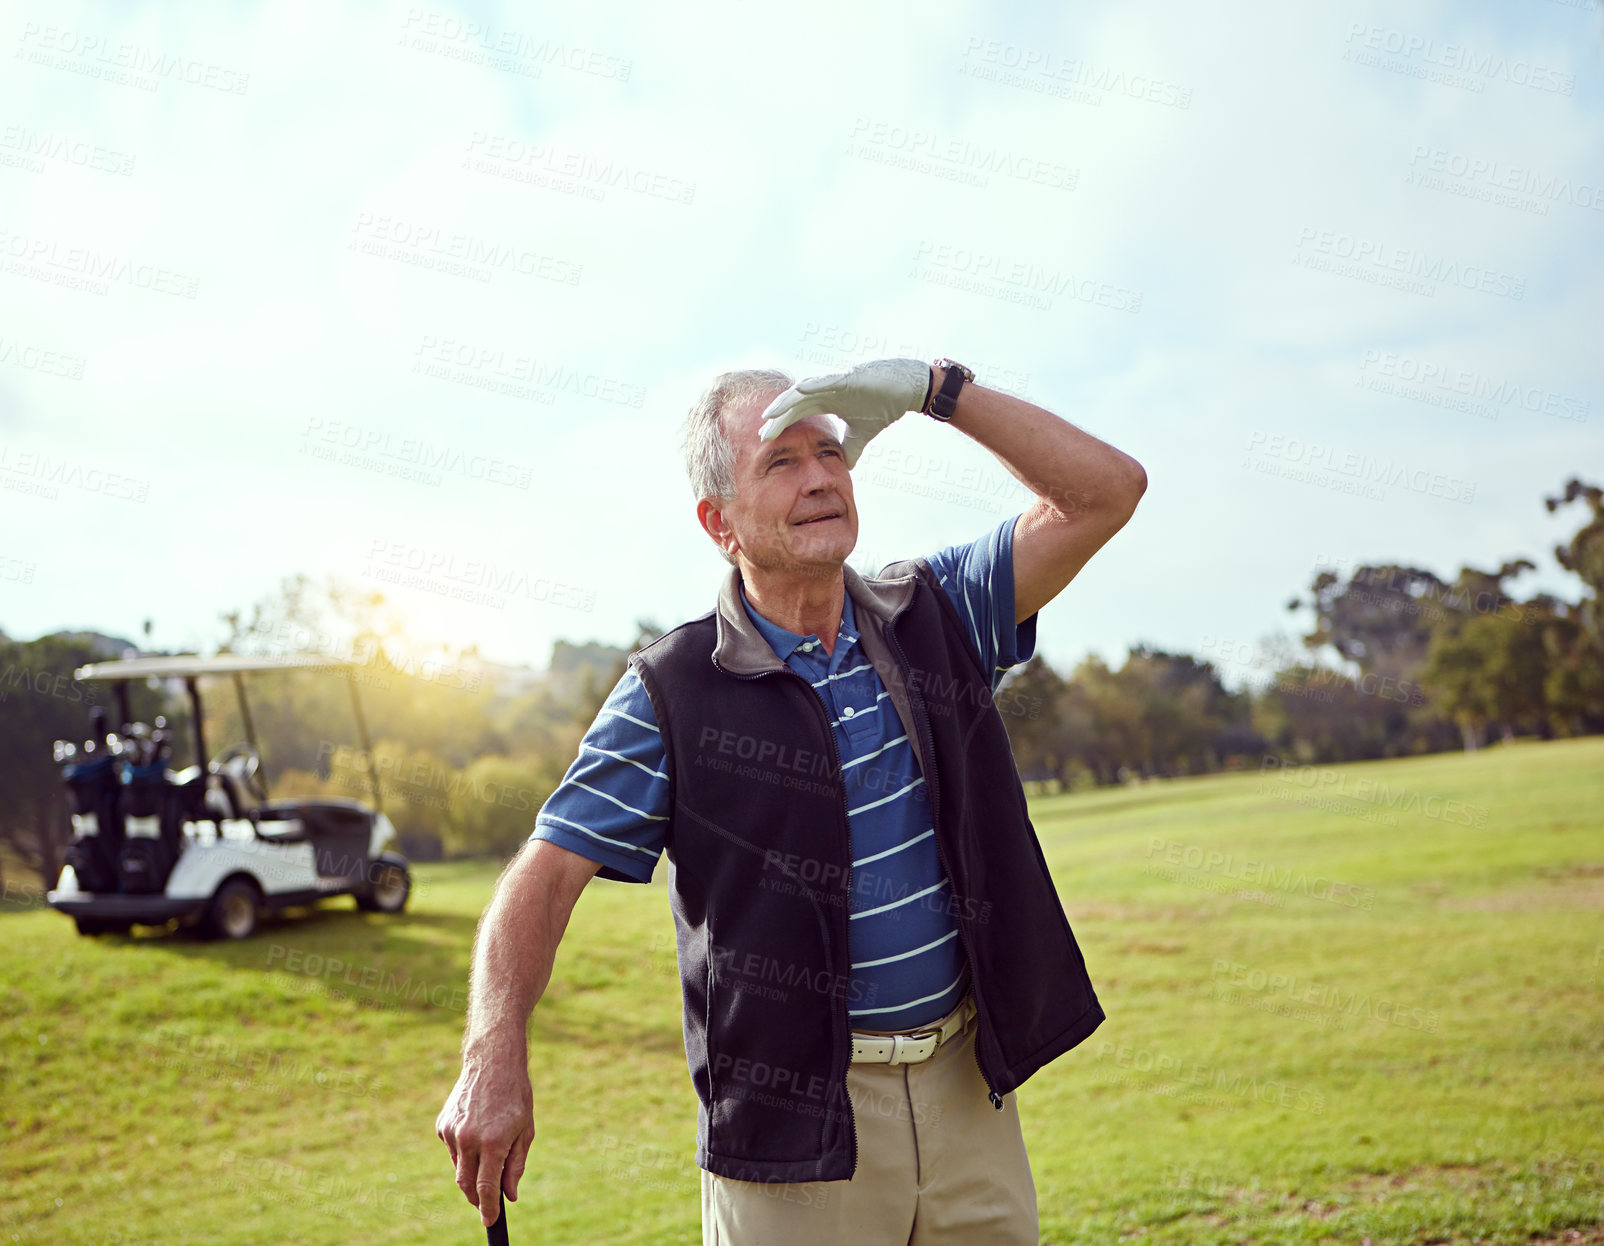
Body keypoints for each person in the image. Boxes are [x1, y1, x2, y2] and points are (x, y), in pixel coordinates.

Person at [436, 357, 1147, 1243]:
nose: (819, 478)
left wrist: (940, 390)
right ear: (718, 522)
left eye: (830, 452)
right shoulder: (672, 692)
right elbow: (541, 879)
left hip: (970, 1095)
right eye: (780, 461)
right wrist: (491, 1054)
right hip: (797, 1135)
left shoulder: (938, 609)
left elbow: (1106, 494)